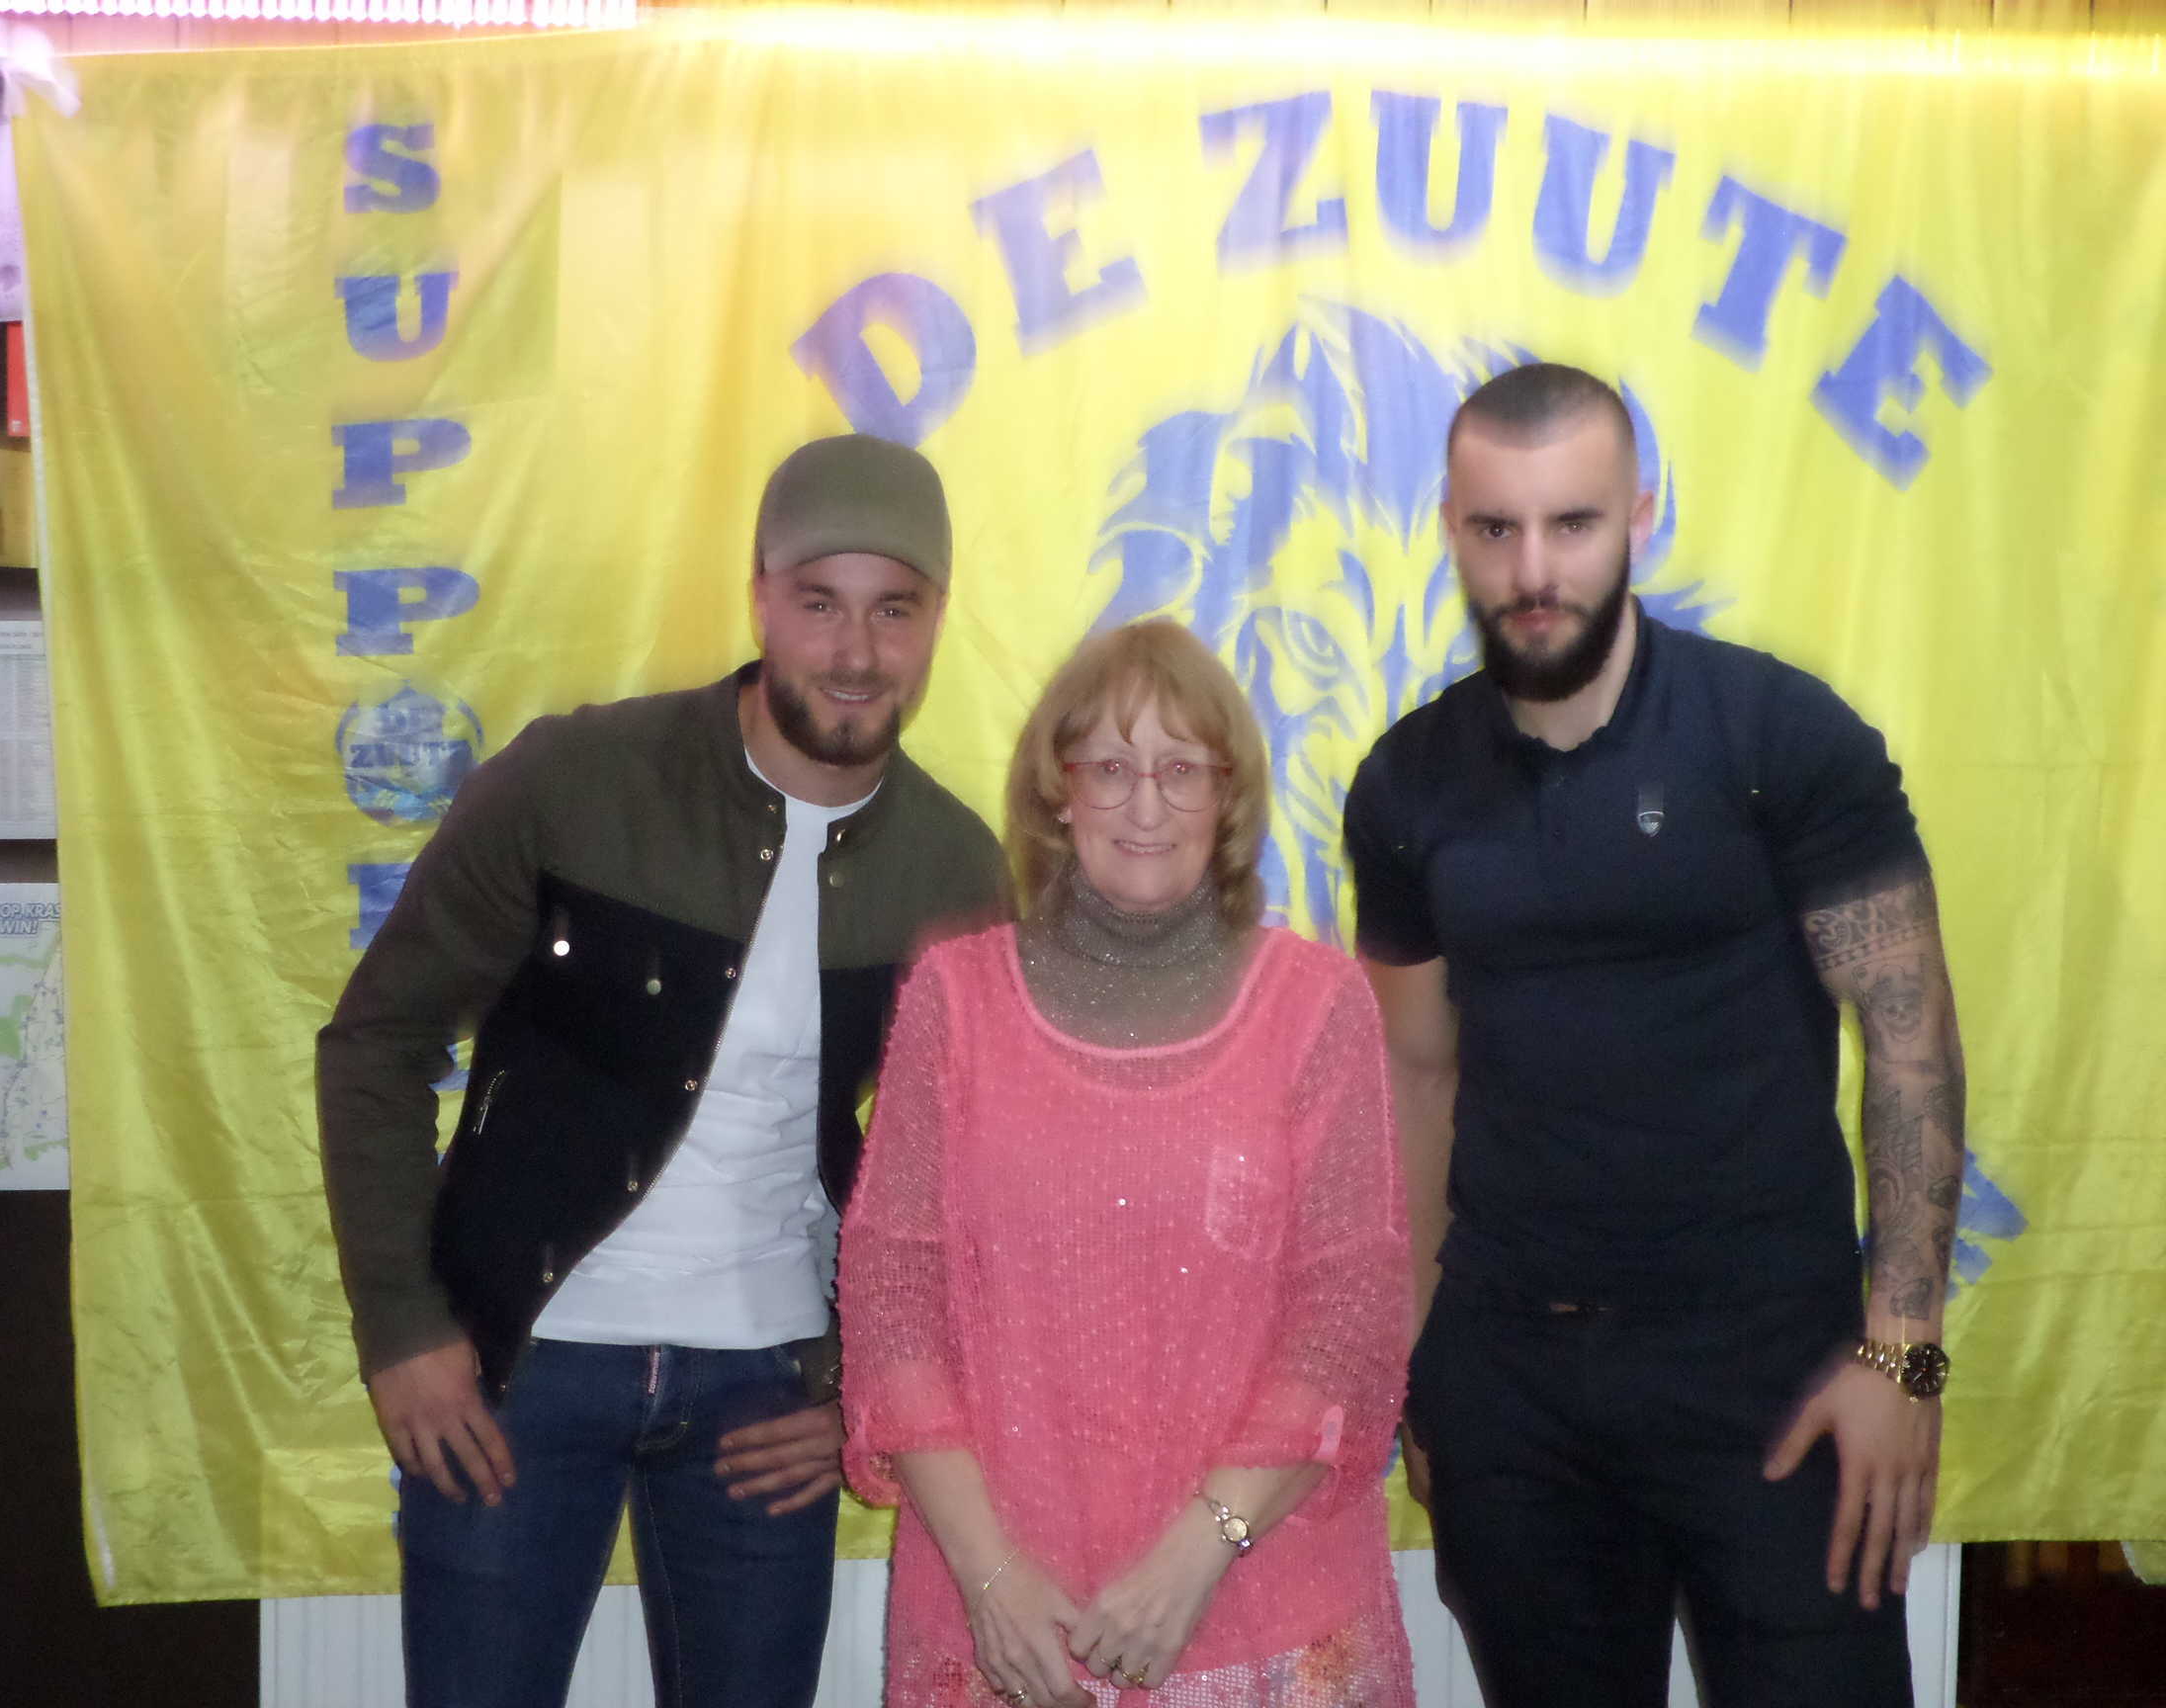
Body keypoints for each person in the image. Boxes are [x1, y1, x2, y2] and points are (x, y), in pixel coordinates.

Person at [316, 433, 1010, 1708]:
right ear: (760, 598)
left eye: (893, 610)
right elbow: (378, 1042)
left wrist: (865, 1398)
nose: (856, 653)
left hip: (768, 1395)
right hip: (518, 1373)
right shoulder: (576, 781)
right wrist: (403, 1329)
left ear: (936, 621)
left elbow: (970, 1188)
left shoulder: (958, 872)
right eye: (820, 603)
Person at [1344, 363, 1965, 1708]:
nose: (1533, 570)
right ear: (1451, 530)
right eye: (1496, 528)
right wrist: (1423, 1365)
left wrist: (1903, 1355)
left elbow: (1910, 1040)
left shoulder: (1781, 735)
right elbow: (1414, 1073)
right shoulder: (1404, 783)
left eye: (1572, 523)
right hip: (1513, 1382)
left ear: (1638, 514)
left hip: (1775, 1373)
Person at [840, 619, 1416, 1708]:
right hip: (1005, 1625)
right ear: (1057, 793)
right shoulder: (954, 1004)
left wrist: (1200, 1551)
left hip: (1266, 1613)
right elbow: (892, 1302)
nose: (1145, 805)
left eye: (1180, 770)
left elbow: (1346, 1322)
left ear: (1227, 797)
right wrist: (990, 1576)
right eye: (1109, 768)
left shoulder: (1317, 1007)